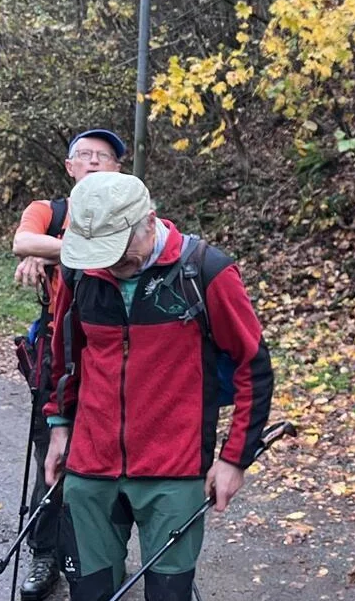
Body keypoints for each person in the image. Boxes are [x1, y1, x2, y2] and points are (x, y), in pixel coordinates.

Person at [41, 172, 275, 600]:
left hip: (175, 471)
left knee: (169, 594)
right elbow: (64, 357)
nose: (110, 263)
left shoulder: (205, 271)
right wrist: (59, 426)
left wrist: (234, 459)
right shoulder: (81, 273)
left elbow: (252, 365)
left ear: (149, 222)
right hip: (90, 467)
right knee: (89, 592)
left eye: (119, 250)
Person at [9, 128, 124, 600]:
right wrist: (64, 252)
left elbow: (138, 253)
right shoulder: (50, 210)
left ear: (119, 169)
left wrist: (51, 254)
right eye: (85, 155)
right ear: (69, 166)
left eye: (105, 157)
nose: (94, 162)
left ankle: (105, 553)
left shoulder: (129, 211)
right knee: (52, 459)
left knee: (116, 461)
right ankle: (45, 552)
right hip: (58, 360)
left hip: (117, 358)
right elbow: (22, 241)